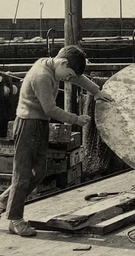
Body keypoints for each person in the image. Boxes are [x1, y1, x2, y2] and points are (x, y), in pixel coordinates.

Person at [0, 45, 113, 237]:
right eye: (68, 75)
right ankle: (15, 220)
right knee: (23, 173)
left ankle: (4, 201)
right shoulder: (42, 75)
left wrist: (96, 92)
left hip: (39, 125)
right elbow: (50, 109)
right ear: (63, 63)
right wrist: (76, 120)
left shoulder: (57, 66)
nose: (68, 80)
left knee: (40, 172)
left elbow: (77, 77)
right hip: (28, 125)